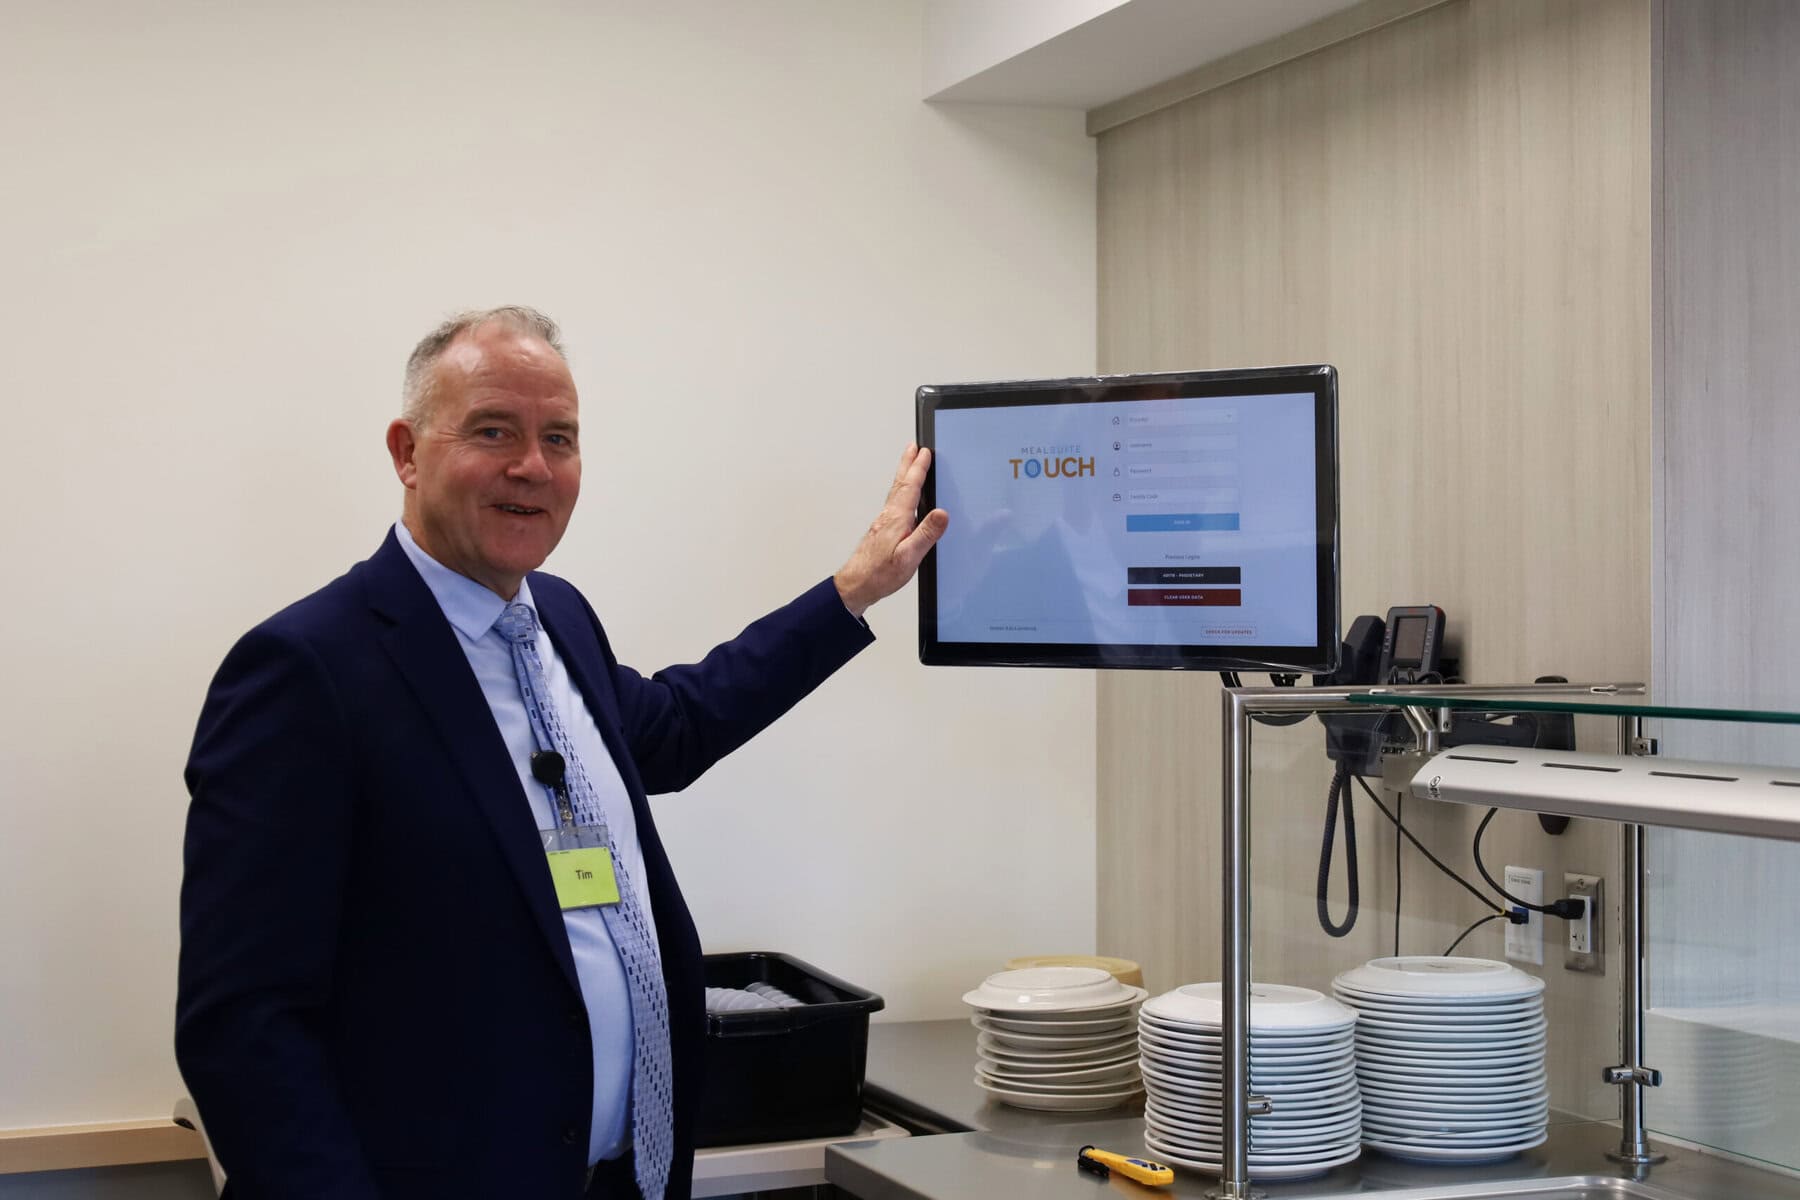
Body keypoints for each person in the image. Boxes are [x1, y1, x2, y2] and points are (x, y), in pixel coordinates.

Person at [175, 306, 949, 1200]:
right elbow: (244, 1024)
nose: (532, 467)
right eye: (493, 431)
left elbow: (676, 727)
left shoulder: (559, 621)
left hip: (624, 1178)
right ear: (407, 452)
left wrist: (851, 593)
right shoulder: (307, 671)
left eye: (560, 438)